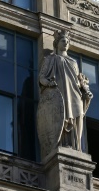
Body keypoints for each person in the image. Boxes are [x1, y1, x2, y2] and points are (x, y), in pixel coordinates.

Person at [36, 30, 92, 159]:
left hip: (75, 94)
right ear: (57, 43)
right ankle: (62, 144)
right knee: (63, 116)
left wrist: (85, 87)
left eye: (67, 41)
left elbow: (78, 81)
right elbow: (42, 77)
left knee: (78, 116)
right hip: (60, 93)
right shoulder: (51, 59)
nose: (66, 43)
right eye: (63, 41)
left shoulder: (73, 62)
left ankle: (76, 146)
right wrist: (48, 83)